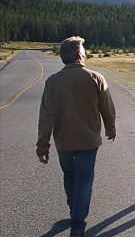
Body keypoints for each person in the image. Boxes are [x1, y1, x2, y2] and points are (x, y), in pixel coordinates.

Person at [37, 36, 116, 237]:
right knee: (85, 181)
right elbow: (107, 108)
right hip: (89, 141)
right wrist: (110, 127)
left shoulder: (53, 81)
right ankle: (78, 225)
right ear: (80, 55)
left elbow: (46, 116)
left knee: (69, 176)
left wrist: (43, 145)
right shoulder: (95, 78)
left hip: (63, 141)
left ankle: (74, 209)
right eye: (85, 50)